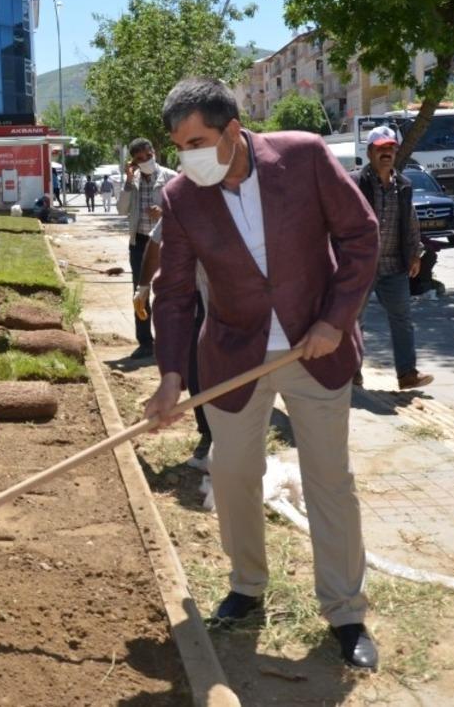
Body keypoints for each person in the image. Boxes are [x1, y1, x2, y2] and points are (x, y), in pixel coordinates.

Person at [144, 77, 380, 670]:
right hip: (232, 356)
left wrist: (334, 320)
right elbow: (172, 293)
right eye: (178, 144)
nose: (186, 155)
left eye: (196, 140)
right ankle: (247, 586)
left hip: (315, 351)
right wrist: (171, 374)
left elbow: (361, 236)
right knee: (232, 475)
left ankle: (346, 613)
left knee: (330, 480)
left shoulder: (302, 156)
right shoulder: (181, 196)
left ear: (232, 131)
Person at [351, 126, 434, 390]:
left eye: (390, 148)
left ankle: (407, 374)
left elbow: (410, 221)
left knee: (402, 318)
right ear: (370, 152)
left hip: (393, 264)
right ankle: (352, 374)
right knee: (353, 320)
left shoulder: (403, 185)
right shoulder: (355, 183)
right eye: (380, 149)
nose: (386, 153)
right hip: (360, 266)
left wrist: (415, 254)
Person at [134, 220, 212, 469]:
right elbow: (156, 242)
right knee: (196, 369)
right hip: (198, 296)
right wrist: (144, 286)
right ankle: (209, 435)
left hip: (244, 302)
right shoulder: (184, 198)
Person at [117, 138, 176, 359]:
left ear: (153, 152)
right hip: (140, 244)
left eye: (148, 156)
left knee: (169, 292)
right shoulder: (133, 182)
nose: (145, 161)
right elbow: (121, 210)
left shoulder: (170, 177)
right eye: (139, 159)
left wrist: (164, 212)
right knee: (140, 294)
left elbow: (185, 209)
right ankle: (145, 342)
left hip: (167, 242)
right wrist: (128, 181)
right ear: (133, 161)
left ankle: (170, 340)